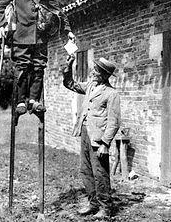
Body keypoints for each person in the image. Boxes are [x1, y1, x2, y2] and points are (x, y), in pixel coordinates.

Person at [0, 0, 75, 115]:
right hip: (20, 36)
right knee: (22, 67)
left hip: (40, 37)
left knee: (39, 67)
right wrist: (1, 26)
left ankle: (34, 100)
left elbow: (57, 10)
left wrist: (68, 30)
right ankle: (21, 101)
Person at [63, 55, 121, 218]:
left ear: (103, 75)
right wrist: (68, 67)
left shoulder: (111, 94)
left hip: (99, 139)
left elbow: (114, 121)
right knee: (86, 170)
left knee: (100, 173)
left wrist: (105, 143)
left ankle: (105, 208)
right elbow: (70, 84)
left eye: (96, 71)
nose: (92, 72)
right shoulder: (90, 86)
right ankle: (93, 203)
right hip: (85, 134)